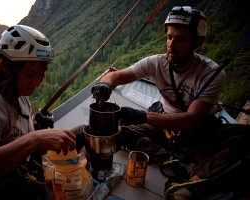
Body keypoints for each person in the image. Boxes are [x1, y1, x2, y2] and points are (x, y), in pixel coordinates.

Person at [78, 6, 250, 199]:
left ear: (197, 42)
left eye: (180, 39)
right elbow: (116, 76)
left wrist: (141, 115)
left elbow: (191, 120)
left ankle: (193, 182)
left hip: (203, 128)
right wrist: (106, 85)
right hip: (163, 125)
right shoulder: (157, 62)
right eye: (169, 37)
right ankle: (174, 159)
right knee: (110, 133)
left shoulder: (211, 73)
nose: (171, 44)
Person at [0, 25, 77, 200]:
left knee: (80, 132)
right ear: (7, 67)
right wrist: (34, 140)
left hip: (21, 173)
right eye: (30, 74)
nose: (37, 82)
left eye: (40, 75)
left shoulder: (20, 97)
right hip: (0, 191)